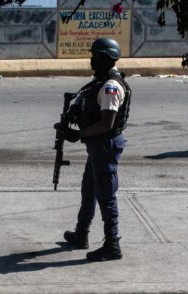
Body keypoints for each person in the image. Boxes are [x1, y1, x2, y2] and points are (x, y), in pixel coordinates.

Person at [57, 37, 132, 261]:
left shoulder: (110, 86)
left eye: (95, 57)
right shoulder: (99, 82)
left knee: (106, 195)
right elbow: (86, 104)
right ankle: (82, 234)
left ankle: (112, 244)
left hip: (104, 145)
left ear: (106, 59)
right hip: (97, 146)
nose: (91, 60)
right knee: (89, 189)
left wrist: (78, 134)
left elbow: (105, 124)